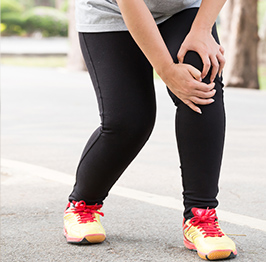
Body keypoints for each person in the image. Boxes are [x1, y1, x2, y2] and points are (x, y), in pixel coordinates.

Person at [62, 0, 236, 260]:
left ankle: (201, 217)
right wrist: (167, 71)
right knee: (129, 121)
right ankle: (82, 205)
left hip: (182, 8)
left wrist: (202, 29)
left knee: (201, 78)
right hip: (111, 10)